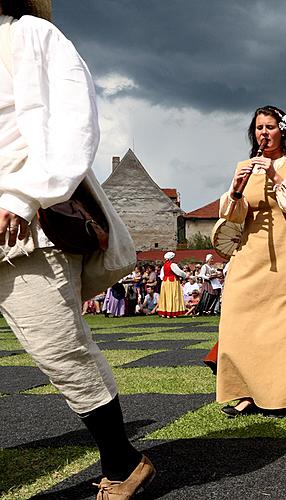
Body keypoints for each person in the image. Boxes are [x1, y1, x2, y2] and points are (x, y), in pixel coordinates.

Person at [0, 2, 153, 497]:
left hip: (22, 228)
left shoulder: (32, 35)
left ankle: (123, 461)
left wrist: (22, 197)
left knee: (59, 349)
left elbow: (72, 122)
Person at [216, 105, 286, 416]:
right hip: (251, 254)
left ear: (282, 131)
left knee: (284, 328)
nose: (264, 133)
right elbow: (233, 215)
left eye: (270, 127)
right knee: (238, 322)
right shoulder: (245, 165)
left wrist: (275, 175)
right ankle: (245, 392)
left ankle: (285, 396)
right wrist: (234, 191)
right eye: (259, 128)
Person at [157, 251, 188, 317]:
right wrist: (185, 275)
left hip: (165, 282)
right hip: (173, 282)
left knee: (166, 296)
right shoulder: (173, 265)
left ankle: (165, 312)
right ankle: (173, 312)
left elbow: (162, 276)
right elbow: (179, 272)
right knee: (174, 296)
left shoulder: (164, 266)